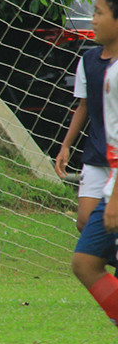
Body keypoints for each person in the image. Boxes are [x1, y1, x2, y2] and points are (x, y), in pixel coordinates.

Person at [71, 0, 118, 328]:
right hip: (106, 171)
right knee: (85, 261)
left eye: (99, 13)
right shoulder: (104, 67)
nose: (92, 19)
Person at [55, 39, 112, 233]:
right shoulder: (88, 60)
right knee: (85, 223)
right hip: (97, 153)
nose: (94, 21)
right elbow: (83, 106)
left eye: (100, 14)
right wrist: (65, 146)